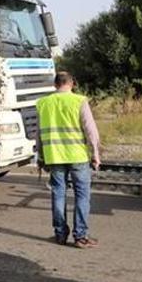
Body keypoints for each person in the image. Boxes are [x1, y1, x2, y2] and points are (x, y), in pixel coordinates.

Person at [36, 71, 101, 249]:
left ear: (55, 85)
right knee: (82, 194)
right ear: (71, 83)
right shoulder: (79, 101)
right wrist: (95, 154)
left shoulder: (43, 103)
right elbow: (91, 131)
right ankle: (80, 236)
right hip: (77, 155)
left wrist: (40, 156)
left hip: (54, 156)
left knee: (58, 193)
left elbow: (39, 133)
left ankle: (60, 234)